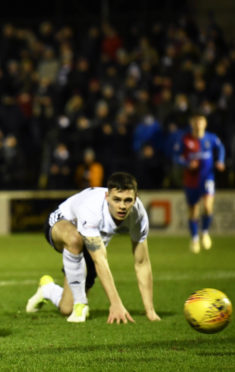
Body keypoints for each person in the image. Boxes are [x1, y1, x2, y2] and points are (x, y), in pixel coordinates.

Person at [26, 172, 160, 324]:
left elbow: (142, 262)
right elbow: (100, 260)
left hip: (88, 242)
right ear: (107, 196)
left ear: (135, 199)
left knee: (66, 309)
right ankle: (80, 304)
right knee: (75, 239)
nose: (122, 206)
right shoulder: (91, 208)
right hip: (61, 223)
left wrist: (150, 311)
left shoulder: (139, 215)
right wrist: (115, 303)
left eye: (127, 200)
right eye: (116, 199)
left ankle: (48, 289)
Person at [172, 113, 225, 253]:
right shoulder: (185, 139)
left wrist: (220, 160)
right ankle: (195, 239)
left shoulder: (211, 138)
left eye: (201, 121)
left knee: (207, 207)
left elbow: (221, 149)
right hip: (191, 179)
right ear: (191, 123)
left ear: (205, 123)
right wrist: (187, 163)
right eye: (195, 121)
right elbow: (176, 156)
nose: (198, 124)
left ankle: (205, 232)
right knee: (193, 210)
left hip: (207, 178)